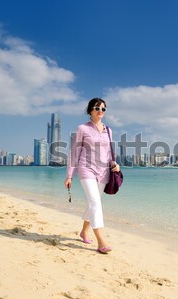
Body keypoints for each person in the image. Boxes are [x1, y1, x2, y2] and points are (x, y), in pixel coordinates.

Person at [64, 97, 120, 254]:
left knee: (92, 203)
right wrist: (69, 175)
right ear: (90, 111)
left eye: (103, 109)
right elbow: (74, 152)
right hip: (86, 168)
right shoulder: (82, 128)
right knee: (95, 203)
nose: (101, 111)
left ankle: (84, 232)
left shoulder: (109, 130)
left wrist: (114, 164)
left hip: (103, 171)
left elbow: (109, 152)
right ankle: (101, 241)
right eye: (97, 108)